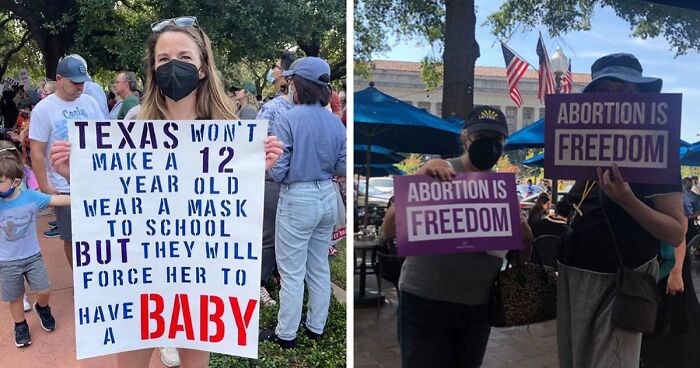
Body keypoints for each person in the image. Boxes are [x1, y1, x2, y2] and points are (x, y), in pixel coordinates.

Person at [49, 15, 283, 367]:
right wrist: (80, 174)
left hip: (199, 271)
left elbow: (231, 210)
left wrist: (253, 171)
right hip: (139, 270)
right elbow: (112, 199)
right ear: (153, 70)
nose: (174, 66)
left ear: (203, 67)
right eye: (163, 60)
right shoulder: (132, 126)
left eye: (185, 58)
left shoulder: (231, 133)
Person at [557, 53, 685, 368]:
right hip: (575, 277)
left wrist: (628, 200)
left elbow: (676, 230)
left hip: (619, 282)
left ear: (640, 96)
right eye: (605, 91)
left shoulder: (658, 149)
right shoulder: (585, 148)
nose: (614, 99)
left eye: (625, 90)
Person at [382, 106, 533, 367]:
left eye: (496, 139)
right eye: (481, 136)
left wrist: (526, 235)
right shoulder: (438, 172)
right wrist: (421, 175)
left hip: (477, 308)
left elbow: (519, 258)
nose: (489, 144)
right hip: (424, 300)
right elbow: (389, 228)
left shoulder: (502, 192)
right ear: (466, 138)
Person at [260, 56, 346, 349]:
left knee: (292, 271)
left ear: (300, 85)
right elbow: (343, 166)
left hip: (298, 197)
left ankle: (286, 334)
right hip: (326, 195)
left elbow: (280, 169)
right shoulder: (336, 123)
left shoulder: (287, 118)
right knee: (319, 266)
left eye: (292, 81)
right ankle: (316, 328)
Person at [28, 55, 104, 269]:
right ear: (59, 79)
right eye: (75, 82)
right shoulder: (44, 109)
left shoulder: (90, 103)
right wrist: (45, 187)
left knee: (98, 234)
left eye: (82, 82)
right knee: (72, 238)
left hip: (93, 181)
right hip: (64, 187)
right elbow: (37, 151)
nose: (80, 87)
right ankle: (79, 280)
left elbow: (103, 137)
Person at [0, 154, 70, 348]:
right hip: (6, 261)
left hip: (32, 257)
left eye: (0, 181)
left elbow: (56, 200)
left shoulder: (30, 198)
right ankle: (20, 325)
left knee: (44, 289)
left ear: (15, 182)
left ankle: (42, 307)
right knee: (14, 297)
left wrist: (78, 198)